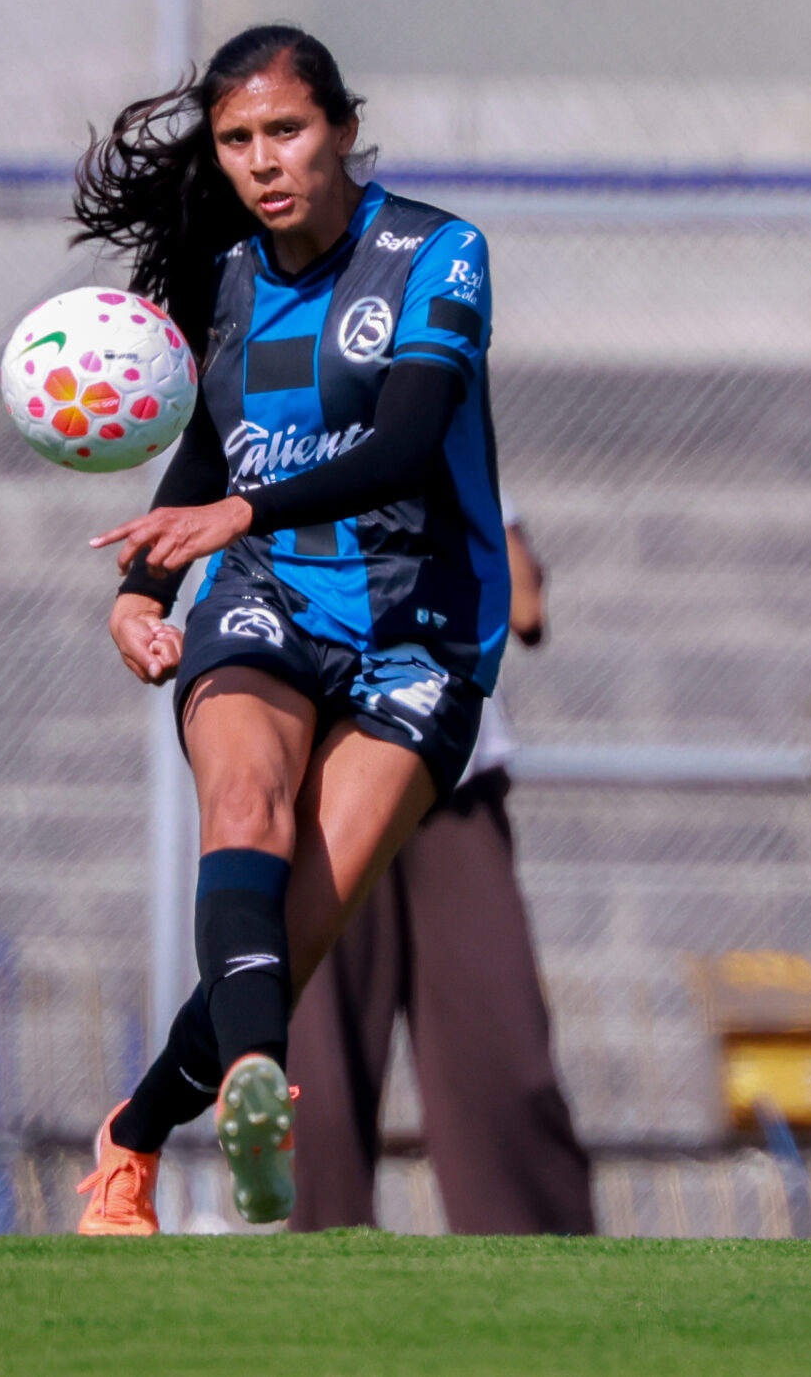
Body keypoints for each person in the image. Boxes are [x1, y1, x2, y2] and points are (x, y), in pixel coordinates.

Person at [62, 23, 510, 1234]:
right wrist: (141, 593)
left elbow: (409, 438)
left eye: (287, 131)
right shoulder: (223, 280)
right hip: (264, 593)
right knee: (243, 812)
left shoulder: (435, 252)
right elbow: (210, 448)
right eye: (238, 140)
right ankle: (260, 1082)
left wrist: (235, 508)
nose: (264, 160)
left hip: (425, 632)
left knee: (286, 937)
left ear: (345, 130)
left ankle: (135, 1134)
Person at [288, 500, 596, 1235]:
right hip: (320, 781)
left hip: (446, 784)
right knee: (318, 1075)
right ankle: (319, 1285)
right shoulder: (273, 436)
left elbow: (524, 603)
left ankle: (539, 1279)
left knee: (501, 1055)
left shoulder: (438, 418)